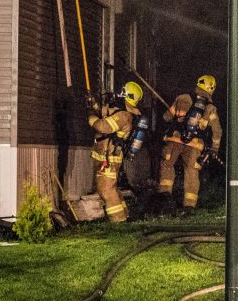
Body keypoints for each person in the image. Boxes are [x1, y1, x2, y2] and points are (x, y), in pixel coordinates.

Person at [157, 75, 222, 213]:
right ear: (212, 90)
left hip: (174, 140)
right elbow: (217, 131)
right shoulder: (210, 108)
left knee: (167, 165)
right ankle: (189, 206)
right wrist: (215, 148)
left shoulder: (182, 98)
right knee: (192, 172)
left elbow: (166, 117)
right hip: (195, 144)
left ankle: (164, 199)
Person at [88, 81, 143, 223]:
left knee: (106, 190)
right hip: (110, 156)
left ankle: (118, 220)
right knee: (112, 188)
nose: (119, 94)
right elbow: (106, 112)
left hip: (109, 157)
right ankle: (124, 216)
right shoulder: (125, 112)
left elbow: (102, 126)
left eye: (123, 92)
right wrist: (94, 104)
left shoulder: (124, 116)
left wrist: (90, 116)